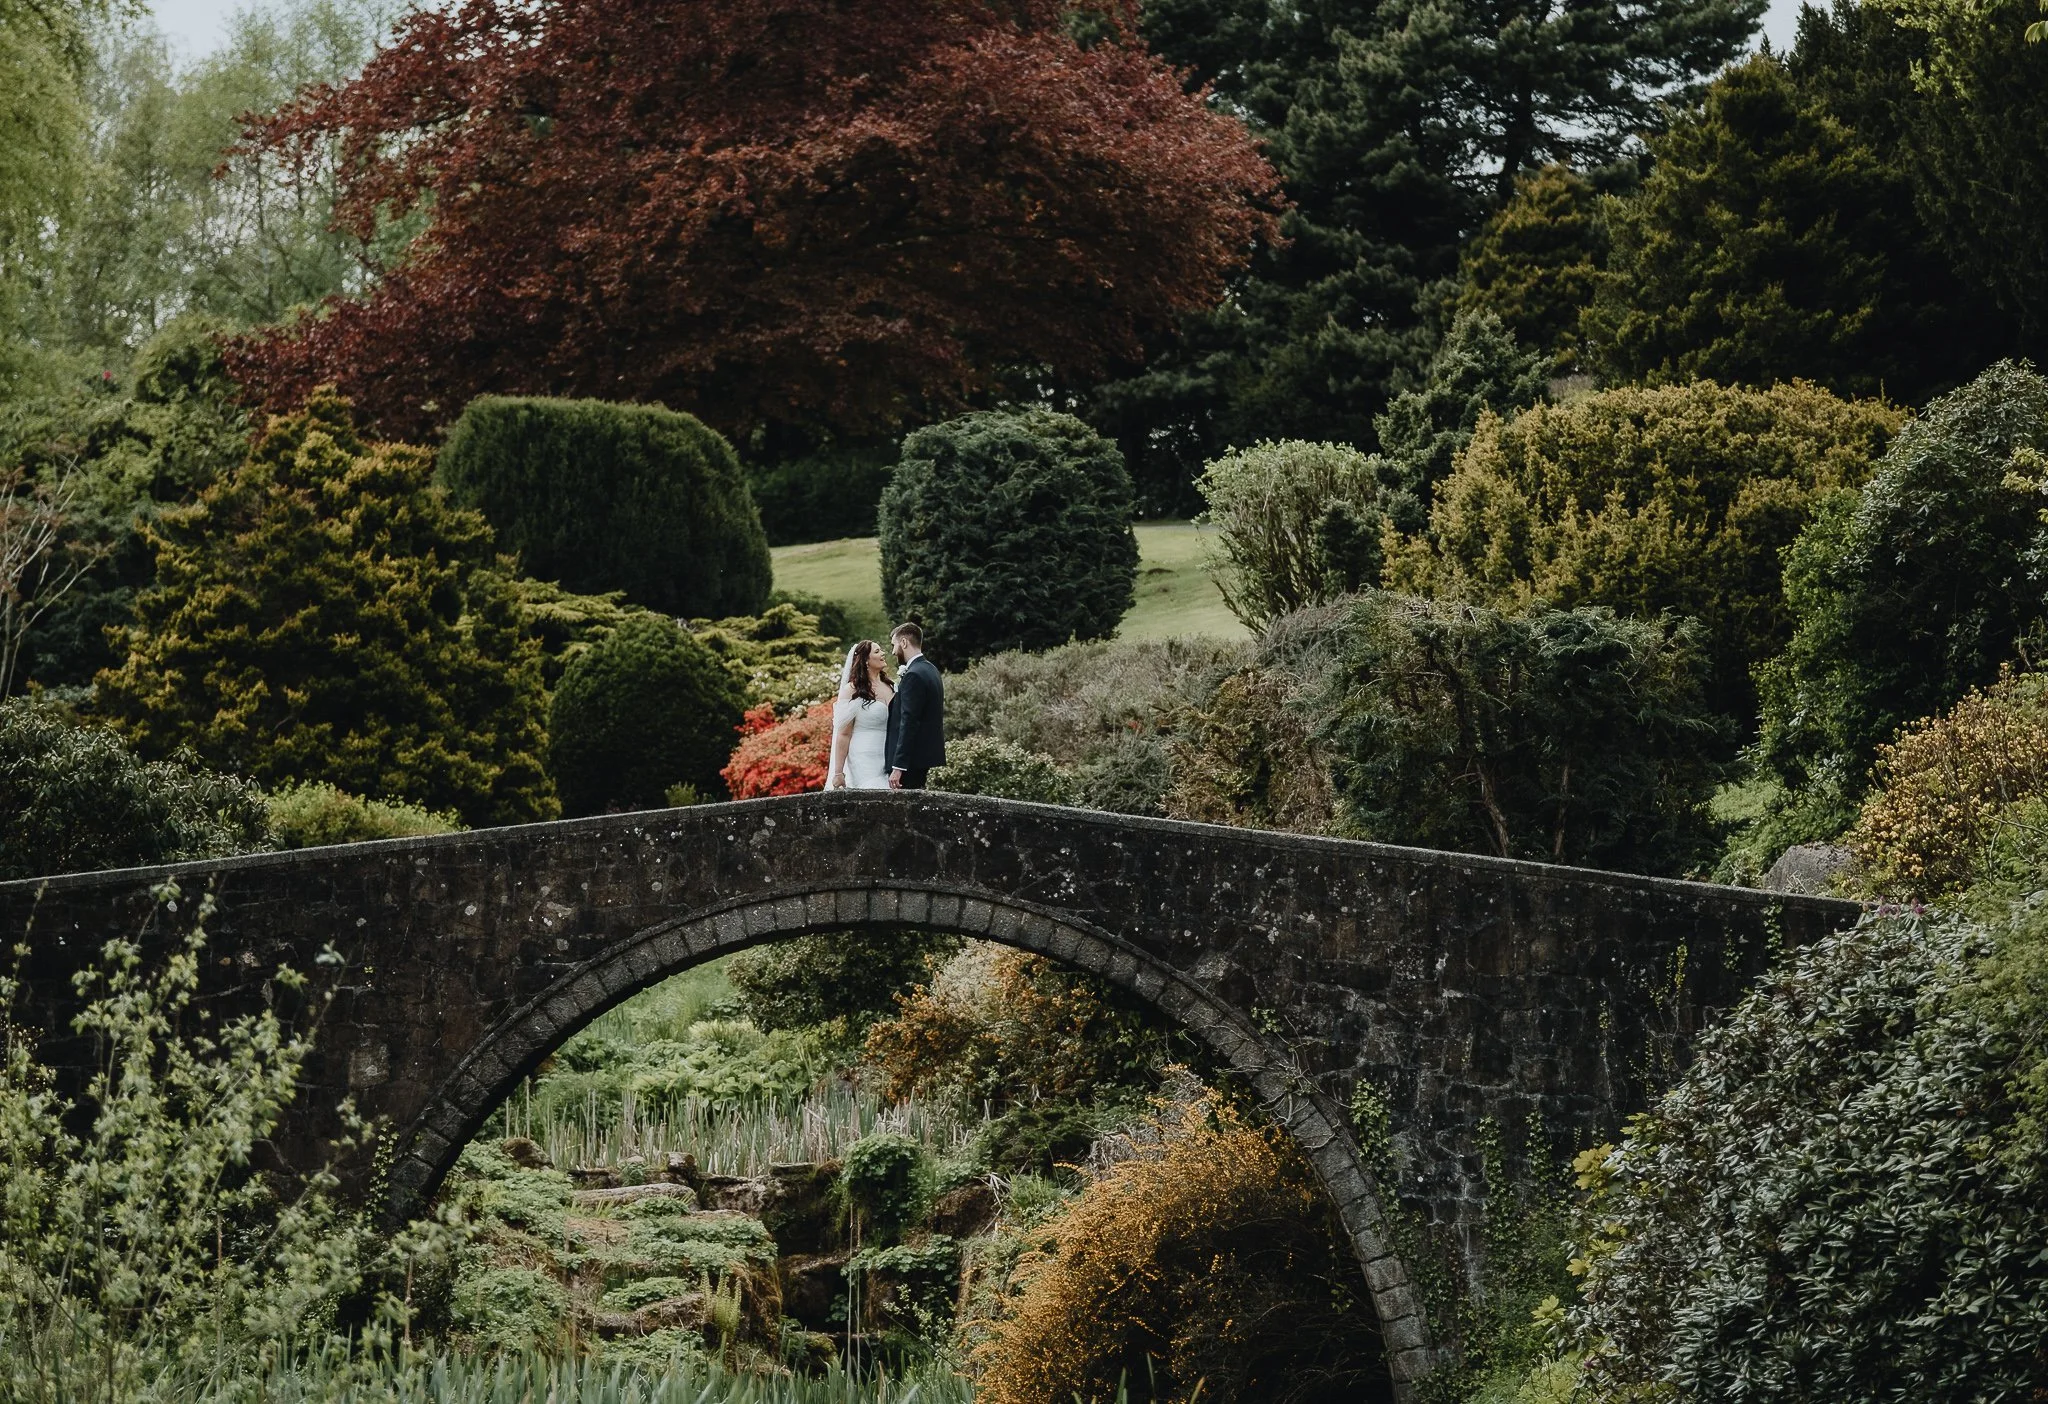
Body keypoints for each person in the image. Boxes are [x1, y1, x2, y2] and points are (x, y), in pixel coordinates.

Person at [826, 639, 895, 789]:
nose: (883, 653)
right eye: (877, 651)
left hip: (888, 755)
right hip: (863, 756)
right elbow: (844, 734)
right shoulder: (852, 690)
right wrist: (838, 772)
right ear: (865, 660)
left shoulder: (891, 686)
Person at [885, 622, 945, 790]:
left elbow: (909, 721)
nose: (893, 651)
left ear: (904, 642)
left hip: (910, 763)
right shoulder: (931, 670)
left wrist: (898, 766)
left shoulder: (913, 675)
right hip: (922, 758)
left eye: (894, 645)